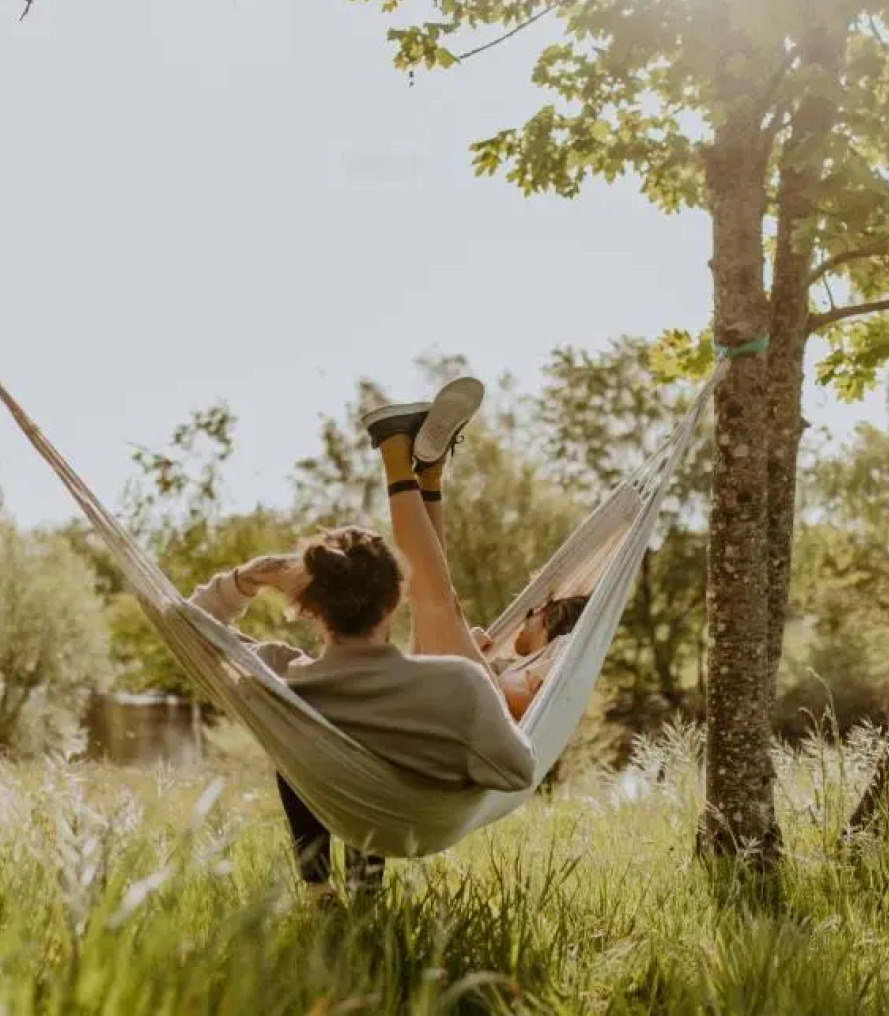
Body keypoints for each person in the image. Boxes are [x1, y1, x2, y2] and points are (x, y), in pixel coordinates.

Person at [187, 377, 535, 903]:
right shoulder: (459, 686)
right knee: (442, 620)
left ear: (306, 609)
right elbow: (517, 771)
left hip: (342, 803)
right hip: (428, 819)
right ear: (395, 601)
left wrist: (249, 577)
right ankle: (416, 467)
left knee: (303, 751)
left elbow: (190, 626)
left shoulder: (278, 676)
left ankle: (319, 891)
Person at [475, 594, 592, 719]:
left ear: (547, 617)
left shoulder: (559, 654)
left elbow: (533, 710)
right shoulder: (510, 666)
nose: (524, 621)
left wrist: (468, 648)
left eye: (531, 614)